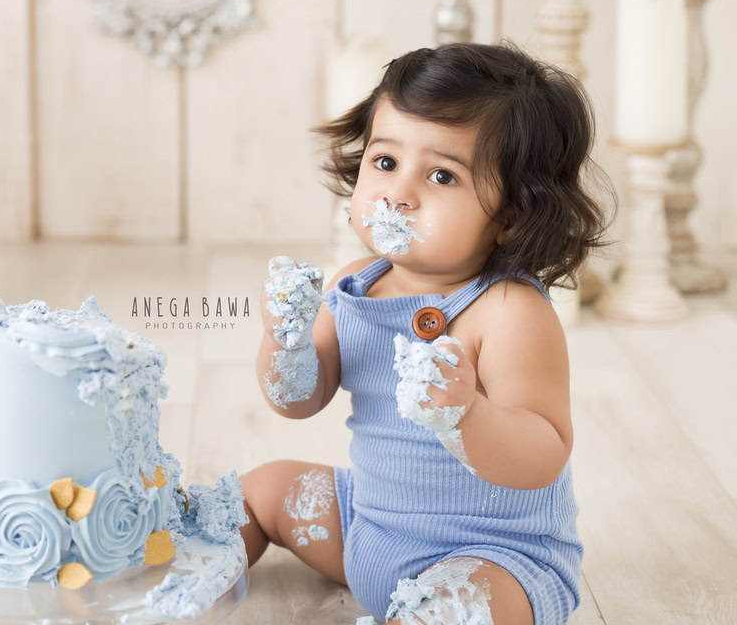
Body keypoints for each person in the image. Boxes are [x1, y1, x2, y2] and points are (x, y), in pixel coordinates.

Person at [242, 41, 614, 625]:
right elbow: (297, 400)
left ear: (513, 215)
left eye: (442, 175)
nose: (399, 192)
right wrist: (284, 342)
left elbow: (544, 452)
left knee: (455, 609)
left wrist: (465, 414)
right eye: (385, 162)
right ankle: (182, 568)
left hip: (490, 558)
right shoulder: (355, 285)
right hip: (369, 528)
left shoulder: (507, 310)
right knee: (261, 491)